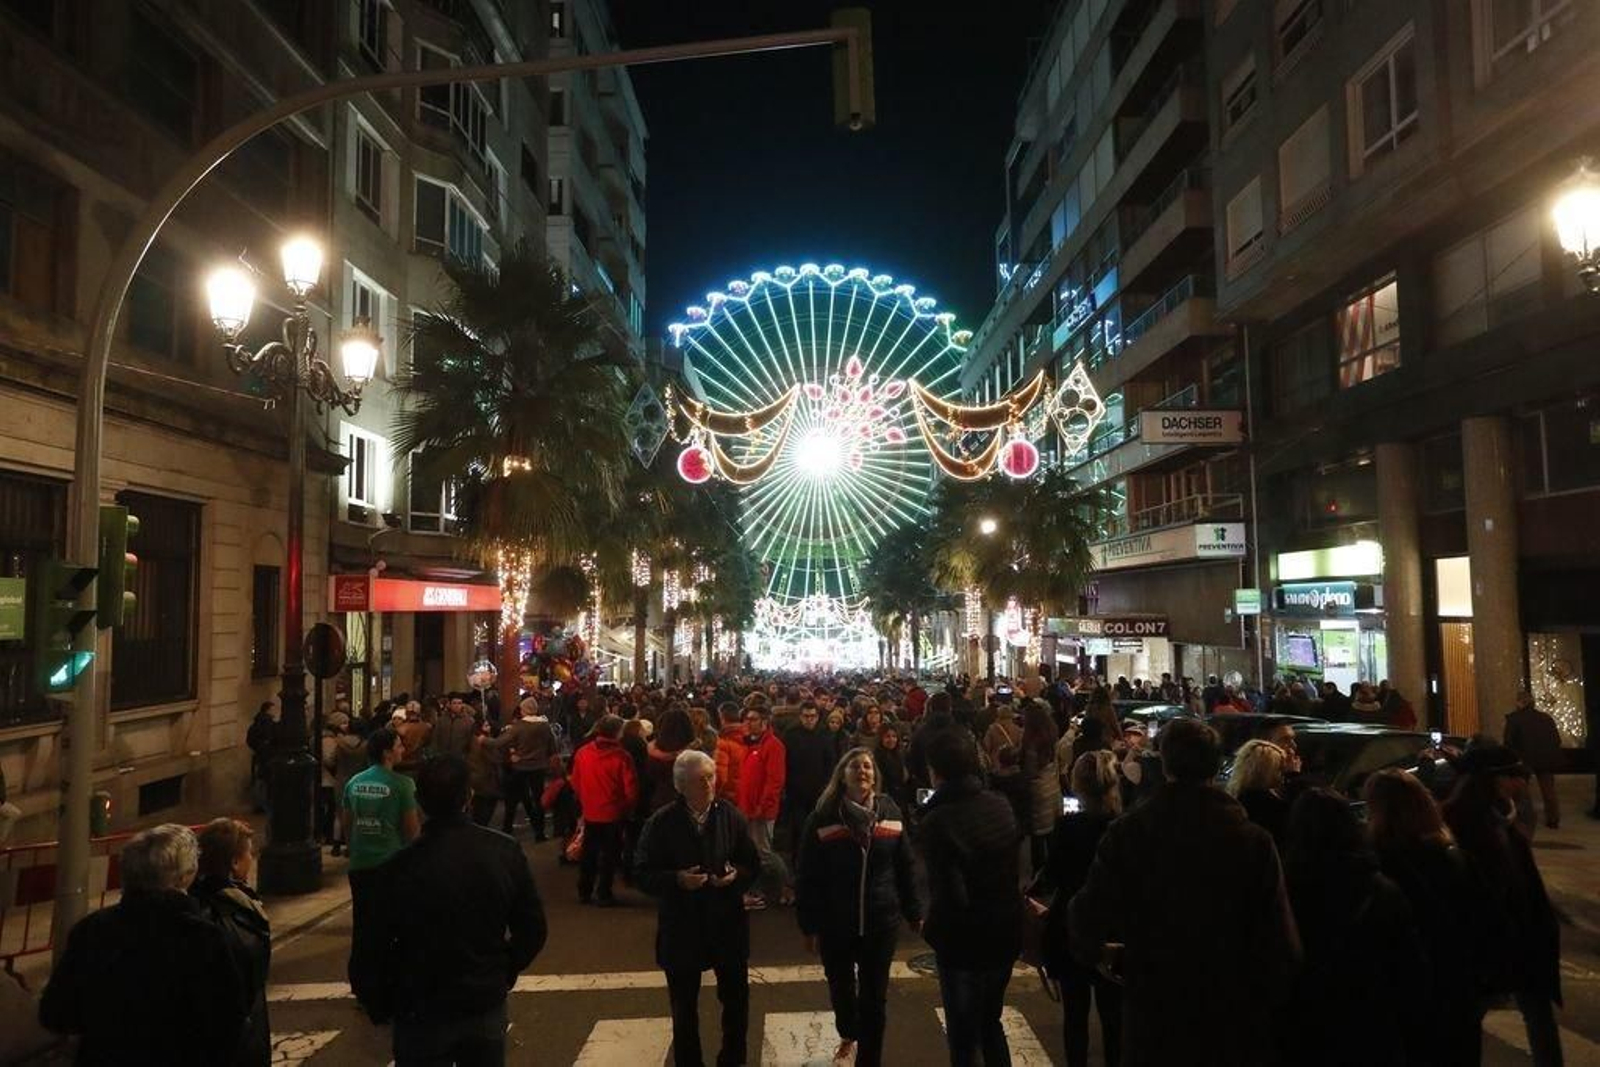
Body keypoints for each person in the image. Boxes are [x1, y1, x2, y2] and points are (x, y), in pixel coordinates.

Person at [1068, 718, 1301, 1066]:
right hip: (1230, 1014)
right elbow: (1282, 944)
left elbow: (1087, 916)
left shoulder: (1131, 834)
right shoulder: (1252, 841)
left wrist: (1104, 953)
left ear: (1165, 764)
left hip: (1156, 1010)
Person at [381, 755, 547, 1065]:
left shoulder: (399, 866)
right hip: (482, 997)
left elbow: (375, 941)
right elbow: (533, 927)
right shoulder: (503, 851)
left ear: (420, 801)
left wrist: (382, 997)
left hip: (420, 1003)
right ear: (468, 797)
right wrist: (505, 968)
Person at [39, 824, 247, 1064]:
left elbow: (56, 1013)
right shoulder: (201, 938)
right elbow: (228, 1023)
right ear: (185, 875)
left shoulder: (93, 931)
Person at [1278, 789, 1425, 1066]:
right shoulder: (1380, 889)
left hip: (1303, 1026)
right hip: (1369, 1024)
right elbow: (1410, 970)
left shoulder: (1283, 889)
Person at [795, 748, 921, 1066]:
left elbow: (904, 864)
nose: (862, 771)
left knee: (875, 998)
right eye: (855, 766)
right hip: (836, 922)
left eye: (867, 766)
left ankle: (869, 1059)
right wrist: (808, 925)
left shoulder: (890, 810)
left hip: (881, 920)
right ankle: (848, 1030)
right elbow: (808, 874)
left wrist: (913, 909)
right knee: (841, 988)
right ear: (842, 775)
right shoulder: (823, 817)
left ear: (874, 776)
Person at [1364, 769, 1498, 1066]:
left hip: (1413, 993)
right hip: (1458, 988)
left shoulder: (1381, 863)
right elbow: (1486, 921)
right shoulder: (1452, 857)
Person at [635, 751, 761, 1067]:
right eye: (698, 780)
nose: (708, 784)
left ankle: (732, 1060)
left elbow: (751, 863)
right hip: (682, 926)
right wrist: (676, 879)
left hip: (726, 923)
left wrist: (736, 877)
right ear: (681, 786)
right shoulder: (662, 823)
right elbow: (640, 872)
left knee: (736, 1003)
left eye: (711, 776)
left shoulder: (730, 815)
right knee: (683, 1008)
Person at [1444, 742, 1564, 1066]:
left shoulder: (1503, 814)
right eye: (1516, 775)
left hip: (1522, 931)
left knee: (1537, 1012)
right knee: (1472, 1018)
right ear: (1496, 779)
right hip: (1493, 936)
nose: (1524, 782)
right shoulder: (1470, 822)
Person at [918, 729, 1021, 1067]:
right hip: (1005, 932)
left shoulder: (938, 820)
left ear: (936, 771)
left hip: (964, 944)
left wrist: (931, 930)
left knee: (964, 1037)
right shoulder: (999, 804)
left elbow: (948, 894)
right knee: (990, 1022)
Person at [1039, 752, 1123, 1067]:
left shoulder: (1067, 827)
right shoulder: (1123, 826)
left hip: (1071, 925)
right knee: (1114, 1018)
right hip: (1113, 928)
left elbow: (1053, 876)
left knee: (1075, 1017)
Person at [342, 726, 420, 1018]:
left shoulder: (354, 783)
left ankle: (362, 985)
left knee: (363, 926)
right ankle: (387, 987)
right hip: (390, 863)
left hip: (360, 865)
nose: (403, 750)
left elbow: (347, 823)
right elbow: (411, 830)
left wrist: (356, 847)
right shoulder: (401, 785)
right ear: (388, 751)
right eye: (399, 745)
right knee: (391, 929)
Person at [190, 819, 271, 1067]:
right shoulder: (232, 918)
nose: (253, 858)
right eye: (249, 853)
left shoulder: (196, 903)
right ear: (234, 863)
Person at [569, 714, 639, 906]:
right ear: (618, 733)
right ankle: (604, 893)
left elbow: (575, 781)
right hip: (614, 812)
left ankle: (584, 890)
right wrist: (627, 808)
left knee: (589, 853)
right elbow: (630, 789)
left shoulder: (583, 752)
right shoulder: (622, 757)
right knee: (610, 854)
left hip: (590, 810)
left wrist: (585, 801)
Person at [736, 704, 790, 909]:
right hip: (747, 807)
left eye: (752, 719)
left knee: (764, 852)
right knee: (755, 852)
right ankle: (758, 890)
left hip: (761, 810)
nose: (748, 723)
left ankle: (786, 885)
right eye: (746, 719)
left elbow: (775, 780)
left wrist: (762, 805)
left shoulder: (773, 745)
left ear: (764, 722)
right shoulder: (751, 744)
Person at [785, 701, 842, 861]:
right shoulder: (791, 734)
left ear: (818, 717)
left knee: (819, 827)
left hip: (819, 791)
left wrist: (828, 786)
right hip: (796, 791)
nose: (809, 720)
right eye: (806, 716)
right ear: (800, 716)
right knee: (799, 828)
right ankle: (799, 860)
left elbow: (831, 762)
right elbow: (786, 762)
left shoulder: (825, 735)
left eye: (813, 716)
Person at [1504, 689, 1564, 830]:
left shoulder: (1514, 719)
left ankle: (1522, 817)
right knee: (1548, 790)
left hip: (1524, 759)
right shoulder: (1546, 718)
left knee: (1520, 789)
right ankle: (1553, 819)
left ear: (1520, 703)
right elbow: (1557, 739)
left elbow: (1508, 742)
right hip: (1545, 758)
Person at [499, 697, 557, 840]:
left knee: (512, 799)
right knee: (539, 799)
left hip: (520, 767)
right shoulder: (545, 725)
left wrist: (484, 741)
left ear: (523, 709)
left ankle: (507, 830)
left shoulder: (519, 726)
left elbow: (501, 741)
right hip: (538, 766)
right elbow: (552, 744)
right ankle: (540, 832)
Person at [1227, 738, 1292, 848]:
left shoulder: (1233, 799)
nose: (1282, 776)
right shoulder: (1273, 807)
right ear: (1266, 771)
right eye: (1279, 769)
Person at [466, 718, 506, 826]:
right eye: (486, 725)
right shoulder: (483, 741)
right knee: (485, 809)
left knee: (479, 806)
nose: (489, 727)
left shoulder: (472, 740)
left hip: (476, 777)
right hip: (486, 778)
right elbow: (496, 758)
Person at [246, 700, 277, 811]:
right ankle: (265, 804)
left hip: (259, 755)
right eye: (273, 708)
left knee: (259, 780)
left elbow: (249, 740)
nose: (275, 711)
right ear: (268, 710)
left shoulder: (255, 724)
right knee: (268, 781)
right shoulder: (269, 723)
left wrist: (258, 748)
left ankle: (258, 804)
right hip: (269, 756)